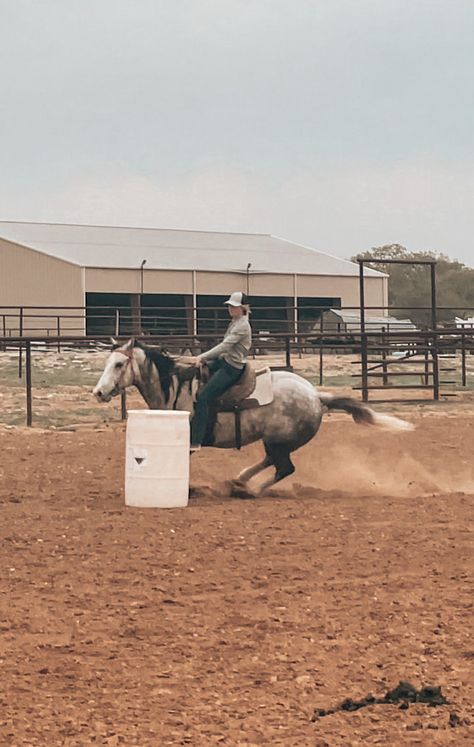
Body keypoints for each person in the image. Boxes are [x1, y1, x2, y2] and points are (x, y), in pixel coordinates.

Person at [189, 291, 252, 451]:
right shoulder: (236, 322)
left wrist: (202, 357)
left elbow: (225, 346)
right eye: (229, 306)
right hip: (225, 361)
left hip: (232, 367)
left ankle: (196, 440)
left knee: (203, 396)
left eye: (234, 306)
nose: (230, 309)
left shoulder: (242, 325)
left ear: (243, 308)